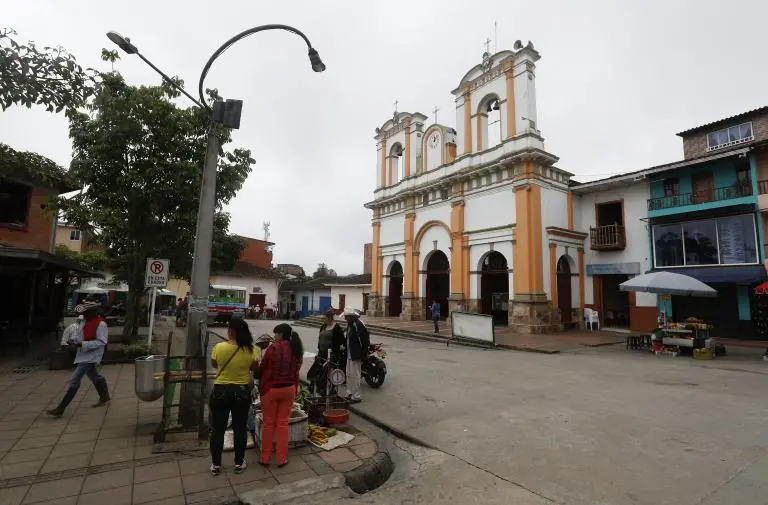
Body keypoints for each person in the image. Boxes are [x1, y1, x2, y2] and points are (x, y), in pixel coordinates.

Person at [209, 317, 258, 476]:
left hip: (220, 391)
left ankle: (216, 465)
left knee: (218, 430)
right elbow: (254, 368)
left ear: (230, 331)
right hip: (241, 392)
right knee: (239, 429)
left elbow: (214, 365)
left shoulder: (218, 347)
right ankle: (238, 462)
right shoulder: (251, 350)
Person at [47, 301, 110, 417]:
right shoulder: (84, 321)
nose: (83, 315)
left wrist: (83, 344)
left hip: (92, 355)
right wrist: (74, 340)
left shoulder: (101, 324)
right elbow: (79, 335)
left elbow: (101, 342)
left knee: (74, 380)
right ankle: (104, 396)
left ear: (92, 312)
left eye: (85, 313)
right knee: (94, 376)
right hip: (82, 354)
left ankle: (61, 408)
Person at [259, 323, 303, 467]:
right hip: (289, 389)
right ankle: (281, 458)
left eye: (276, 333)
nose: (275, 336)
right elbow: (297, 369)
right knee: (283, 424)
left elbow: (263, 366)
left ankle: (265, 458)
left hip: (271, 389)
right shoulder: (296, 349)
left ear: (281, 334)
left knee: (268, 424)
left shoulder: (273, 348)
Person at [308, 308, 345, 396]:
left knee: (327, 372)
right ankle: (314, 386)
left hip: (331, 354)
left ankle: (328, 389)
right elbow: (320, 339)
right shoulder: (323, 326)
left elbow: (342, 340)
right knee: (317, 370)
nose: (323, 320)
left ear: (330, 318)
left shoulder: (336, 327)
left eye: (324, 318)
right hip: (321, 353)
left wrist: (335, 350)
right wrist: (318, 349)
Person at [342, 308, 369, 404]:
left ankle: (356, 396)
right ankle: (349, 393)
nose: (345, 319)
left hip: (356, 355)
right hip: (349, 354)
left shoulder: (358, 325)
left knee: (356, 375)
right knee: (348, 373)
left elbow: (364, 341)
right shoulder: (350, 325)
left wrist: (363, 354)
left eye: (347, 317)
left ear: (352, 317)